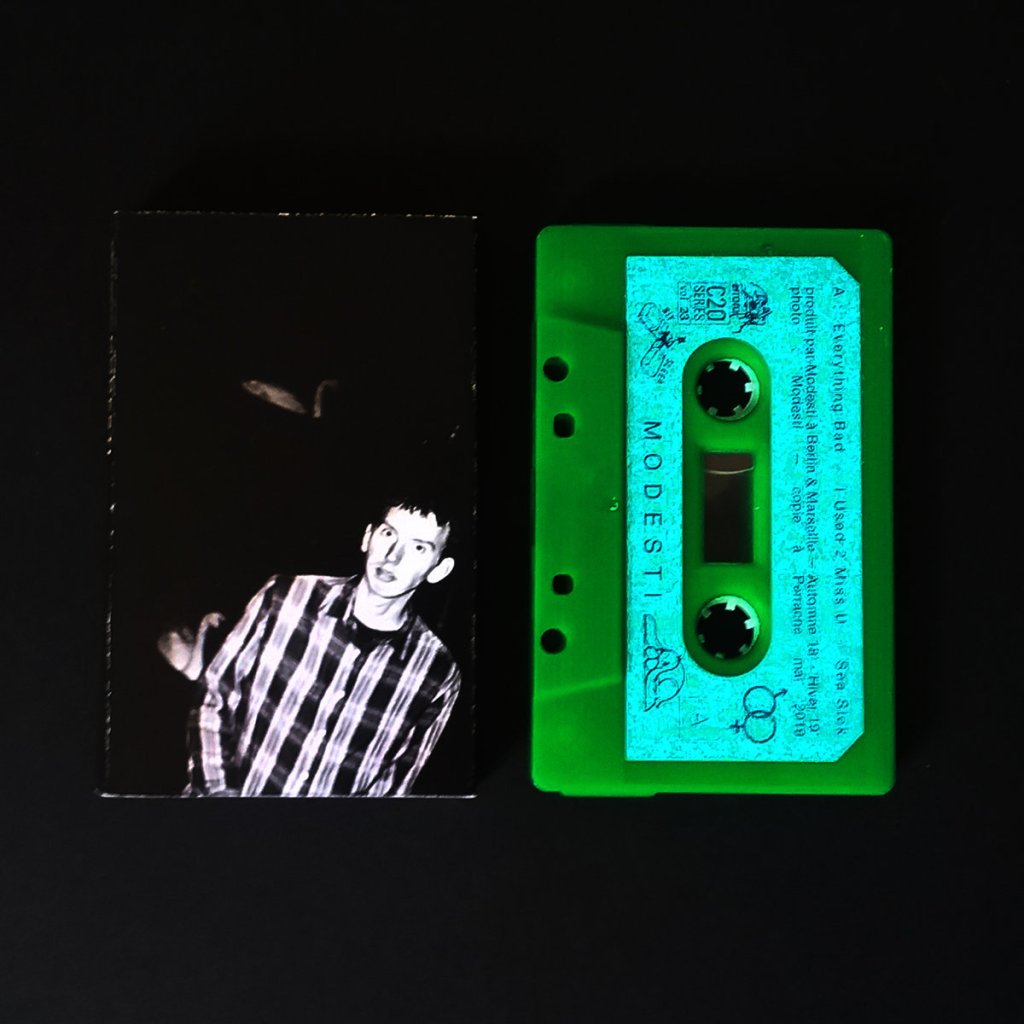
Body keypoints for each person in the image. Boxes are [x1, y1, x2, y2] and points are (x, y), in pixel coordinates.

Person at [185, 498, 461, 796]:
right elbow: (214, 694)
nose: (393, 556)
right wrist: (219, 795)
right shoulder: (286, 597)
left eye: (418, 548)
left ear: (439, 569)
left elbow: (395, 784)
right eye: (388, 533)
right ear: (367, 537)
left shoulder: (437, 672)